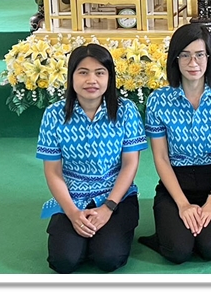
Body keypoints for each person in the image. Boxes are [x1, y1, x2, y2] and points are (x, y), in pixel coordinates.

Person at [36, 43, 147, 273]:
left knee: (108, 259)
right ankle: (83, 235)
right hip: (73, 196)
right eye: (83, 72)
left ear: (109, 77)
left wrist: (107, 208)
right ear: (72, 76)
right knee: (63, 261)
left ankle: (106, 235)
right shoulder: (54, 115)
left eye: (100, 73)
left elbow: (130, 164)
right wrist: (72, 213)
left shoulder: (126, 111)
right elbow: (53, 171)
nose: (91, 80)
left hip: (116, 195)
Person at [138, 24, 211, 264]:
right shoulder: (158, 101)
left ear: (209, 57)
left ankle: (195, 230)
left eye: (199, 55)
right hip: (175, 183)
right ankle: (171, 231)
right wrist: (183, 204)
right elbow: (162, 158)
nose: (192, 63)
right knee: (177, 251)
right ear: (175, 59)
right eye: (184, 55)